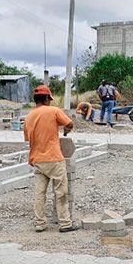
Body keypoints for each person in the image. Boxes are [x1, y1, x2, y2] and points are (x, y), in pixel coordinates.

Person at [24, 85, 78, 233]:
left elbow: (29, 138)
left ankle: (40, 223)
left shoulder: (29, 116)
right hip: (54, 159)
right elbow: (70, 123)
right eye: (49, 99)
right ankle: (65, 223)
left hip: (37, 159)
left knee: (39, 193)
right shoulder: (54, 111)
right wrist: (66, 130)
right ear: (47, 98)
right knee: (61, 191)